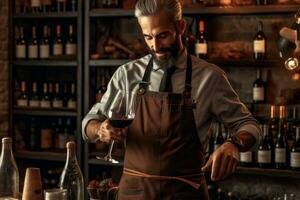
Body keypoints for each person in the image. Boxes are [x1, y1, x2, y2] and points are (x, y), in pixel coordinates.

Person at [82, 0, 262, 199]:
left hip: (186, 193)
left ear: (181, 27)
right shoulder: (127, 75)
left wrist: (234, 143)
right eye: (147, 37)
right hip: (134, 194)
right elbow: (88, 123)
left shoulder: (210, 77)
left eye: (163, 35)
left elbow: (250, 126)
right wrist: (99, 129)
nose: (155, 46)